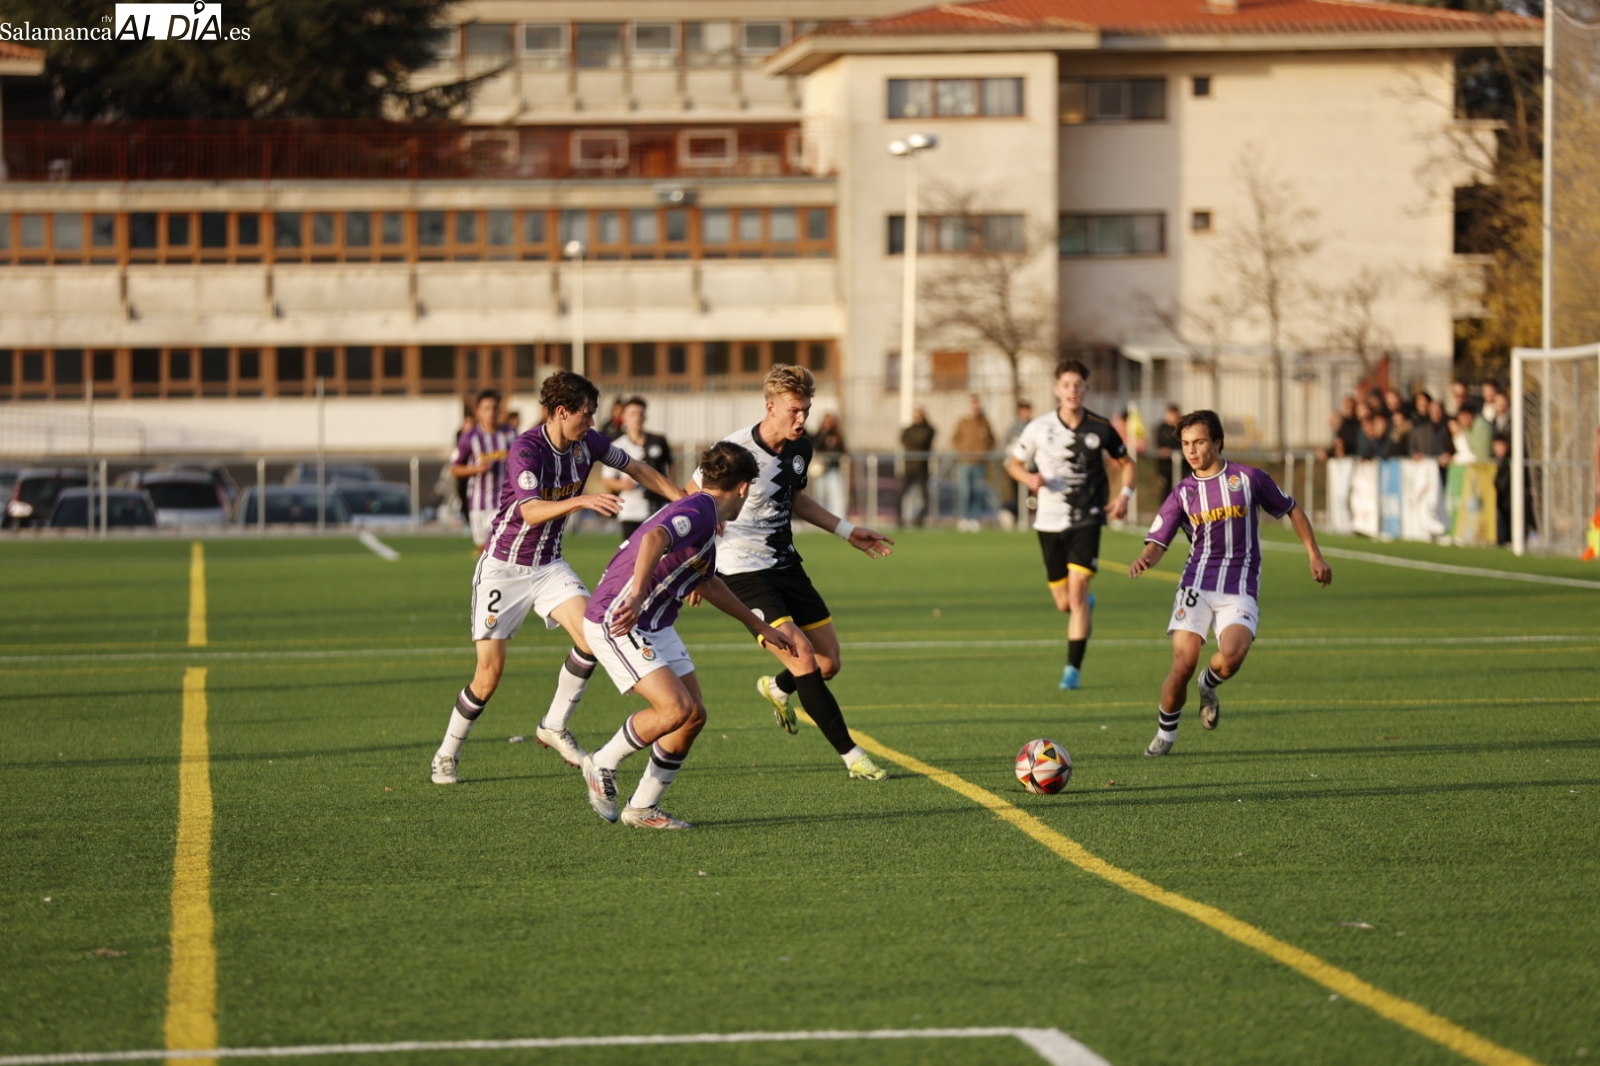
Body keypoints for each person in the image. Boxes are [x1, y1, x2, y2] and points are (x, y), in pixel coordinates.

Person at [429, 371, 684, 785]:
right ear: (561, 412)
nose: (593, 424)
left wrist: (688, 503)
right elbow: (530, 512)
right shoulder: (526, 449)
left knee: (592, 636)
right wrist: (581, 499)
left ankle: (553, 724)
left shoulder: (589, 443)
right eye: (587, 415)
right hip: (503, 569)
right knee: (488, 677)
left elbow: (638, 468)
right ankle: (446, 753)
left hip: (549, 565)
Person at [579, 443, 796, 829]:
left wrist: (759, 625)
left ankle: (642, 808)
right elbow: (654, 539)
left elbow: (708, 583)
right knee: (674, 709)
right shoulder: (699, 509)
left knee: (692, 716)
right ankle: (601, 763)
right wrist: (639, 591)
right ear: (744, 488)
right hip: (621, 615)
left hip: (656, 622)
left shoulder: (706, 516)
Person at [708, 363, 896, 781]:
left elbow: (794, 499)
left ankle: (776, 688)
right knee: (805, 656)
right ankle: (853, 757)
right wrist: (694, 563)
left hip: (786, 564)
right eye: (794, 410)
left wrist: (847, 531)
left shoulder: (800, 449)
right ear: (770, 406)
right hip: (742, 573)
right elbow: (691, 500)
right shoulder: (734, 451)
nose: (801, 419)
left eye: (806, 410)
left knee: (828, 663)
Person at [1128, 410, 1332, 756]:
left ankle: (1209, 684)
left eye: (1199, 442)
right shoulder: (1183, 493)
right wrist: (1147, 557)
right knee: (1183, 663)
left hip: (1239, 585)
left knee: (1233, 655)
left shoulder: (1249, 479)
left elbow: (1292, 509)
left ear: (1217, 442)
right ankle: (1166, 735)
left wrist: (1314, 554)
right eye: (1186, 444)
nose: (1192, 451)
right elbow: (1158, 539)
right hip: (1196, 583)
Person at [1005, 359, 1135, 691]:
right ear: (1056, 389)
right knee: (1064, 602)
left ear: (1086, 389)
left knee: (1076, 595)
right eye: (1066, 385)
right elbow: (1013, 464)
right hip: (1048, 522)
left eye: (1078, 385)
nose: (1072, 390)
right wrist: (1028, 478)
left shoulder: (1101, 427)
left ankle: (1072, 671)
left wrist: (1124, 496)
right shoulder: (1038, 427)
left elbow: (1126, 463)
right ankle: (1082, 606)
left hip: (1088, 517)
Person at [601, 396, 676, 540]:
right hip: (631, 509)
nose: (637, 418)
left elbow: (671, 464)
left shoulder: (658, 441)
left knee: (661, 553)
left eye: (641, 413)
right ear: (624, 417)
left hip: (658, 507)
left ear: (646, 416)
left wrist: (668, 483)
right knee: (633, 555)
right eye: (633, 414)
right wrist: (623, 484)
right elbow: (607, 478)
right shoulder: (616, 446)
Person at [451, 389, 516, 552]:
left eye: (494, 408)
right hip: (480, 504)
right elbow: (455, 469)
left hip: (505, 502)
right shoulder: (470, 438)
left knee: (506, 549)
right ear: (478, 412)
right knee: (485, 551)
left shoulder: (510, 434)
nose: (491, 412)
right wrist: (476, 469)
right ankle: (484, 578)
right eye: (486, 408)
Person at [951, 394, 996, 531]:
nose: (975, 407)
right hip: (965, 462)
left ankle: (975, 518)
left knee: (977, 491)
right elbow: (954, 439)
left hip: (979, 463)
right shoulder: (963, 422)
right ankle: (964, 518)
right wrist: (962, 450)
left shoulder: (985, 422)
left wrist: (984, 451)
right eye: (973, 404)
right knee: (965, 492)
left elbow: (992, 440)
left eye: (977, 404)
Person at [899, 406, 936, 526]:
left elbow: (922, 441)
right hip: (909, 468)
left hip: (922, 468)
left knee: (925, 497)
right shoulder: (908, 430)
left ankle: (919, 520)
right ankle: (899, 520)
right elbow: (905, 441)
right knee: (901, 494)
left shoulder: (929, 429)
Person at [810, 411, 848, 519]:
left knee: (836, 495)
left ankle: (838, 519)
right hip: (821, 471)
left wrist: (834, 443)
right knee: (821, 495)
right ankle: (820, 519)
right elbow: (815, 446)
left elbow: (843, 450)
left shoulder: (838, 435)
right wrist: (823, 436)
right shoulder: (819, 434)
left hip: (833, 469)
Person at [1155, 403, 1189, 500]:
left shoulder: (1183, 429)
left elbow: (1182, 445)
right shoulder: (1162, 428)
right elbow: (1161, 448)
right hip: (1166, 468)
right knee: (1166, 494)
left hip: (1182, 467)